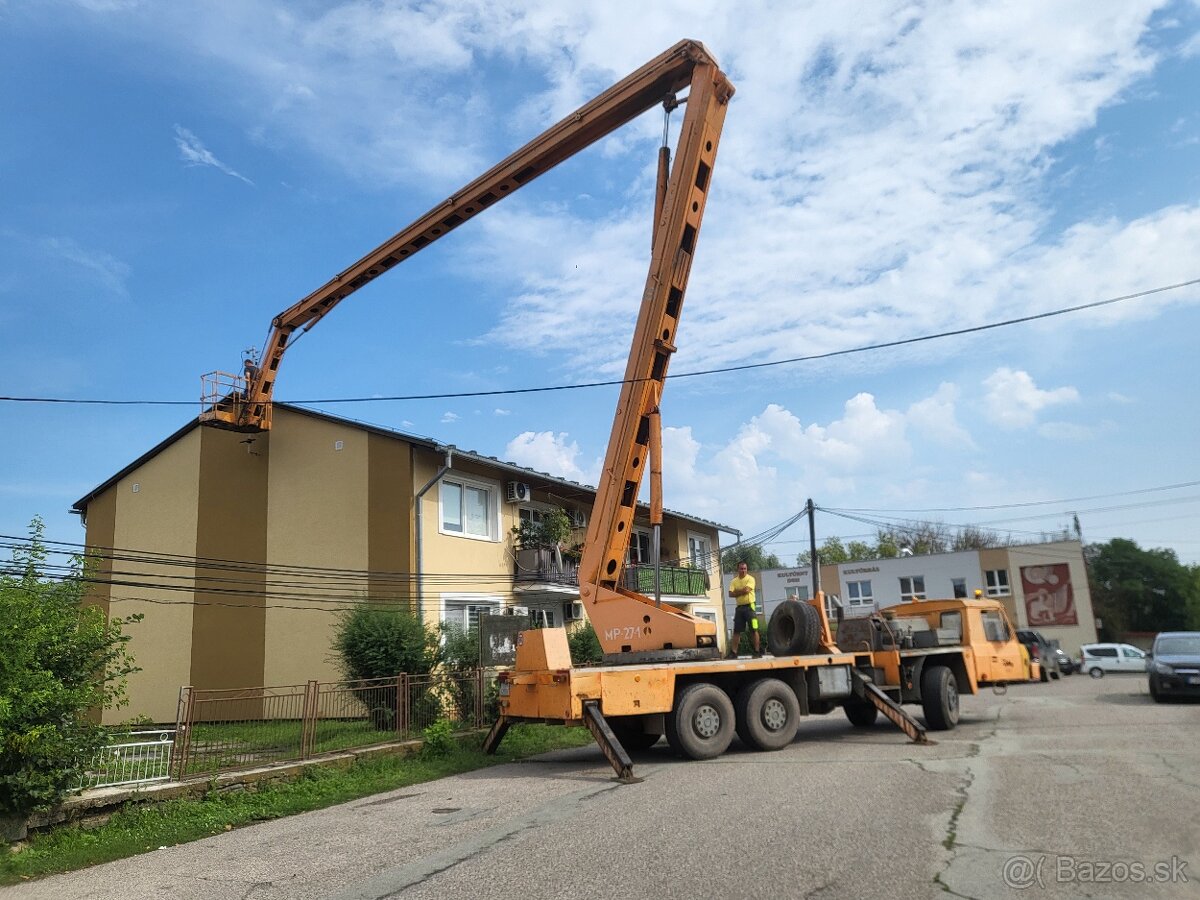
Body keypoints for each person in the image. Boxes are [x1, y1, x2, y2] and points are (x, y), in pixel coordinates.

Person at [727, 561, 762, 658]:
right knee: (736, 631)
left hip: (750, 606)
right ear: (738, 569)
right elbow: (730, 594)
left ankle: (757, 651)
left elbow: (747, 590)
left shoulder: (751, 579)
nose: (743, 571)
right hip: (739, 608)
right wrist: (742, 591)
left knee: (754, 629)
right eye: (741, 569)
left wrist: (736, 592)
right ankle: (733, 653)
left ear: (747, 569)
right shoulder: (734, 581)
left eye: (745, 569)